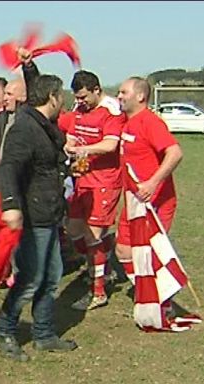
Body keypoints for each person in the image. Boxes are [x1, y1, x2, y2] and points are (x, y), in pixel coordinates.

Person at [0, 74, 78, 362]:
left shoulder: (45, 127)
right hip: (32, 215)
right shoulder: (25, 127)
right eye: (62, 95)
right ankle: (5, 331)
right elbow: (8, 167)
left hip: (49, 213)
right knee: (30, 279)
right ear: (52, 97)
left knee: (51, 278)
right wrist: (10, 205)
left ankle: (43, 334)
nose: (64, 100)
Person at [115, 77, 183, 315]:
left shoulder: (150, 122)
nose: (119, 96)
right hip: (133, 202)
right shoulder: (126, 121)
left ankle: (163, 301)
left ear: (141, 96)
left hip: (155, 203)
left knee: (150, 253)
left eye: (124, 92)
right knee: (123, 250)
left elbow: (175, 153)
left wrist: (153, 182)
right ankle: (148, 292)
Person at [62, 70, 126, 311]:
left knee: (92, 235)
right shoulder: (79, 110)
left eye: (84, 97)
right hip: (82, 180)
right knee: (74, 231)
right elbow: (70, 135)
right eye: (77, 97)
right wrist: (69, 146)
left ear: (97, 90)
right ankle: (104, 256)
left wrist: (84, 150)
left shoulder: (111, 111)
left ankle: (98, 291)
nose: (80, 102)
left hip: (104, 182)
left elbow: (111, 144)